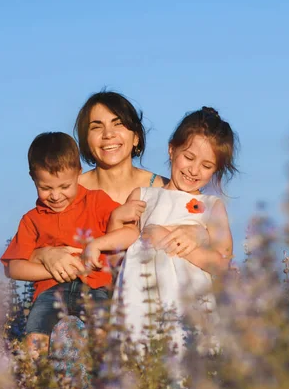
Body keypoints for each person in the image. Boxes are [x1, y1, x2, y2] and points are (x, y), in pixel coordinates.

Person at [83, 106, 238, 354]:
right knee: (136, 365)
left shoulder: (211, 207)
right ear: (171, 149)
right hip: (139, 300)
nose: (194, 170)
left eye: (207, 165)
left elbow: (223, 264)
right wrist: (103, 236)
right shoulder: (144, 196)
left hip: (189, 306)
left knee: (187, 369)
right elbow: (122, 250)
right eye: (188, 158)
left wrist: (174, 242)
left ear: (216, 170)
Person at [30, 90, 207, 281]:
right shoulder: (66, 189)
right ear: (86, 141)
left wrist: (199, 233)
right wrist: (44, 254)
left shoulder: (165, 189)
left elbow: (215, 234)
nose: (108, 134)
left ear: (136, 137)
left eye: (118, 124)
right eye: (96, 127)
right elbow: (28, 244)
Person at [0, 132, 129, 356]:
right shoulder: (32, 219)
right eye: (46, 188)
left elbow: (131, 233)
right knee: (35, 340)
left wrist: (97, 245)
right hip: (49, 292)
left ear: (79, 173)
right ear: (33, 179)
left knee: (100, 339)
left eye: (64, 186)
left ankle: (99, 388)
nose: (56, 196)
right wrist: (53, 269)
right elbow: (13, 267)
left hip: (94, 287)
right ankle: (33, 387)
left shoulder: (96, 201)